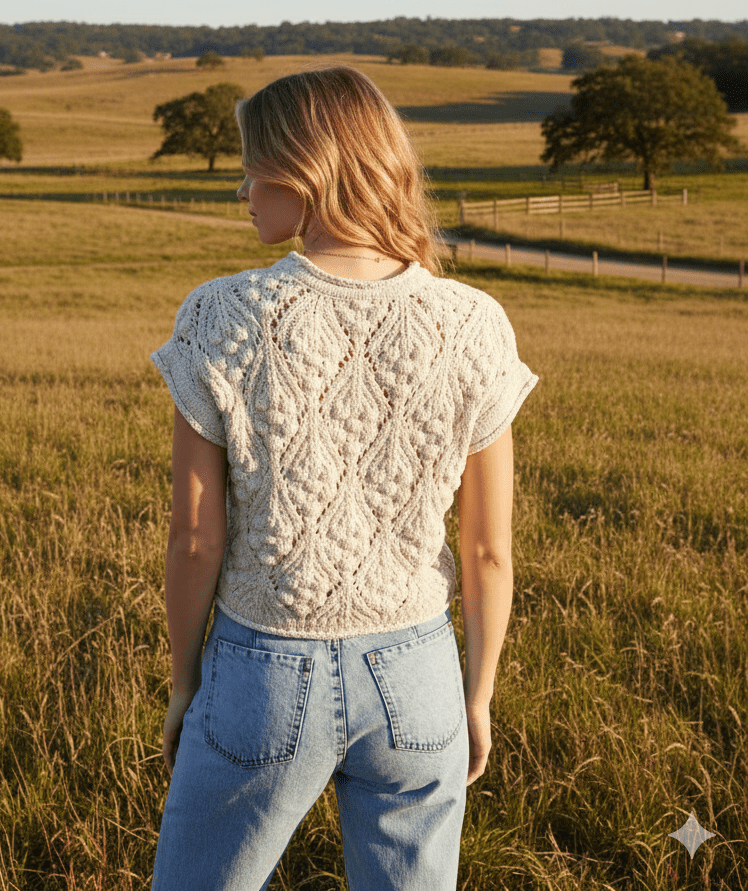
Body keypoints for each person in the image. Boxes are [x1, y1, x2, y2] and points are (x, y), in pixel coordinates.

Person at [149, 64, 537, 891]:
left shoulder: (221, 315)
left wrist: (184, 683)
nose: (245, 191)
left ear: (306, 172)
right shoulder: (474, 323)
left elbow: (194, 538)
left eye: (255, 169)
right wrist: (477, 694)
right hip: (420, 675)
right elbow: (489, 551)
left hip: (261, 672)